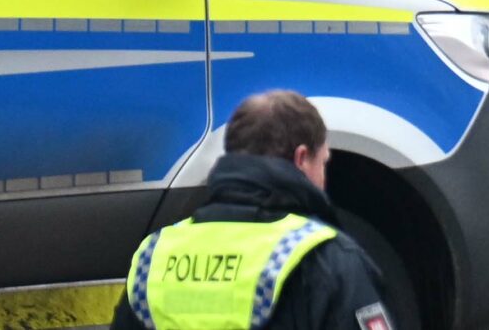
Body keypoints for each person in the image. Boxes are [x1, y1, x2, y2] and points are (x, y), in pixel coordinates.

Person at [111, 90, 389, 330]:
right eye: (323, 163)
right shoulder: (326, 260)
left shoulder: (156, 257)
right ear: (301, 158)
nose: (324, 178)